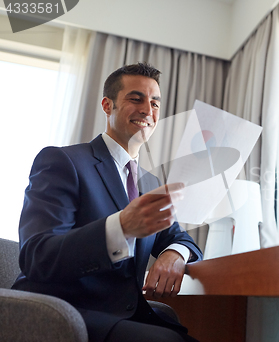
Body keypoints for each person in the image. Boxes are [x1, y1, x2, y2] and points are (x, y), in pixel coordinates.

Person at [12, 63, 203, 342]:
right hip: (65, 311)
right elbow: (37, 256)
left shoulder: (147, 183)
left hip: (125, 315)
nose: (148, 110)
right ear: (107, 105)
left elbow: (182, 238)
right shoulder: (63, 161)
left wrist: (174, 254)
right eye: (135, 99)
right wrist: (121, 227)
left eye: (155, 103)